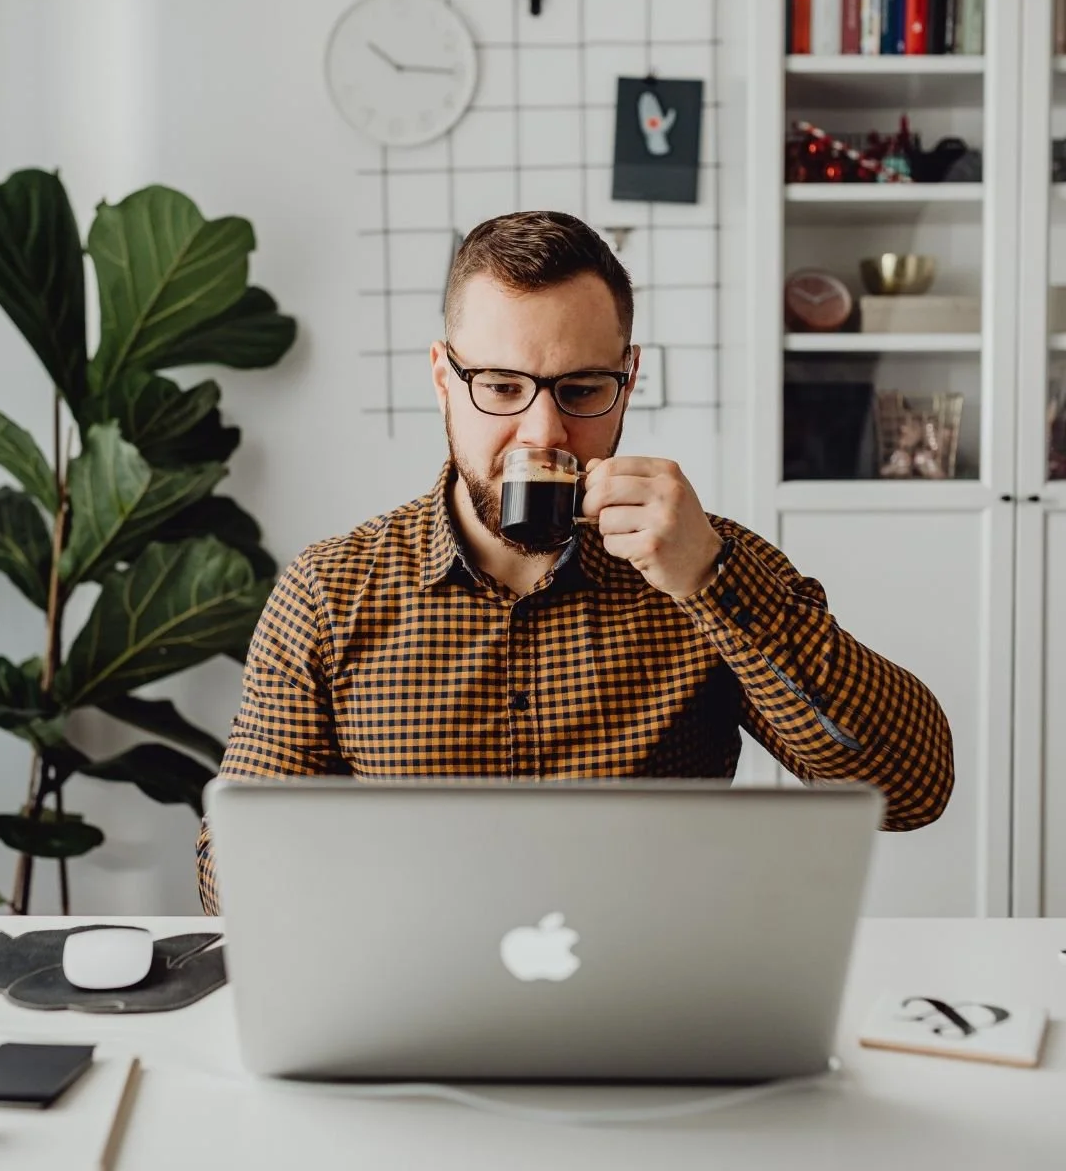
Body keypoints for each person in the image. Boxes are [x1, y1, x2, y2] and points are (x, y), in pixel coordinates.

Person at [196, 210, 953, 915]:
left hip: (650, 1009)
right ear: (442, 380)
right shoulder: (332, 590)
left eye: (583, 389)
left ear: (627, 381)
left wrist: (717, 584)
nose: (543, 434)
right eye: (500, 386)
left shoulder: (706, 564)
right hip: (415, 1001)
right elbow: (231, 885)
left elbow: (913, 789)